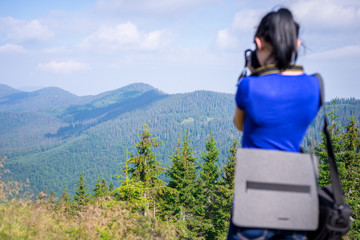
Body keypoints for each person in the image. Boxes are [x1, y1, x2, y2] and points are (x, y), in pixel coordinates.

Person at [229, 7, 321, 240]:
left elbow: (239, 124)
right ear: (296, 45)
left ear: (259, 43)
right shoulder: (315, 86)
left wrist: (254, 75)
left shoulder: (249, 87)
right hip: (297, 197)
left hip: (255, 196)